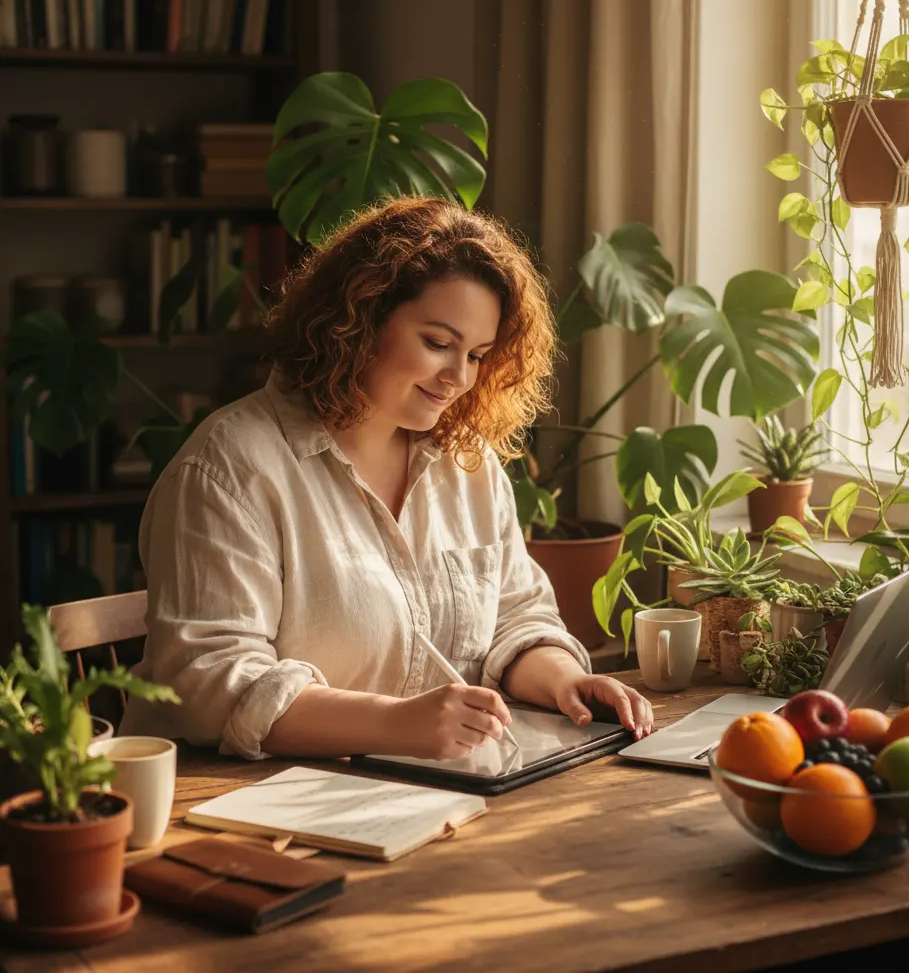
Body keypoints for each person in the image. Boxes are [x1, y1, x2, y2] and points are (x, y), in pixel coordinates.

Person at [120, 196, 654, 760]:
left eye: (477, 355)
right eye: (438, 344)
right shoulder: (231, 466)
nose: (458, 378)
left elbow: (515, 614)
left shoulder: (465, 461)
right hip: (242, 801)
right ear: (360, 318)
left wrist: (563, 681)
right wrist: (396, 724)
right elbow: (210, 683)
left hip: (428, 791)